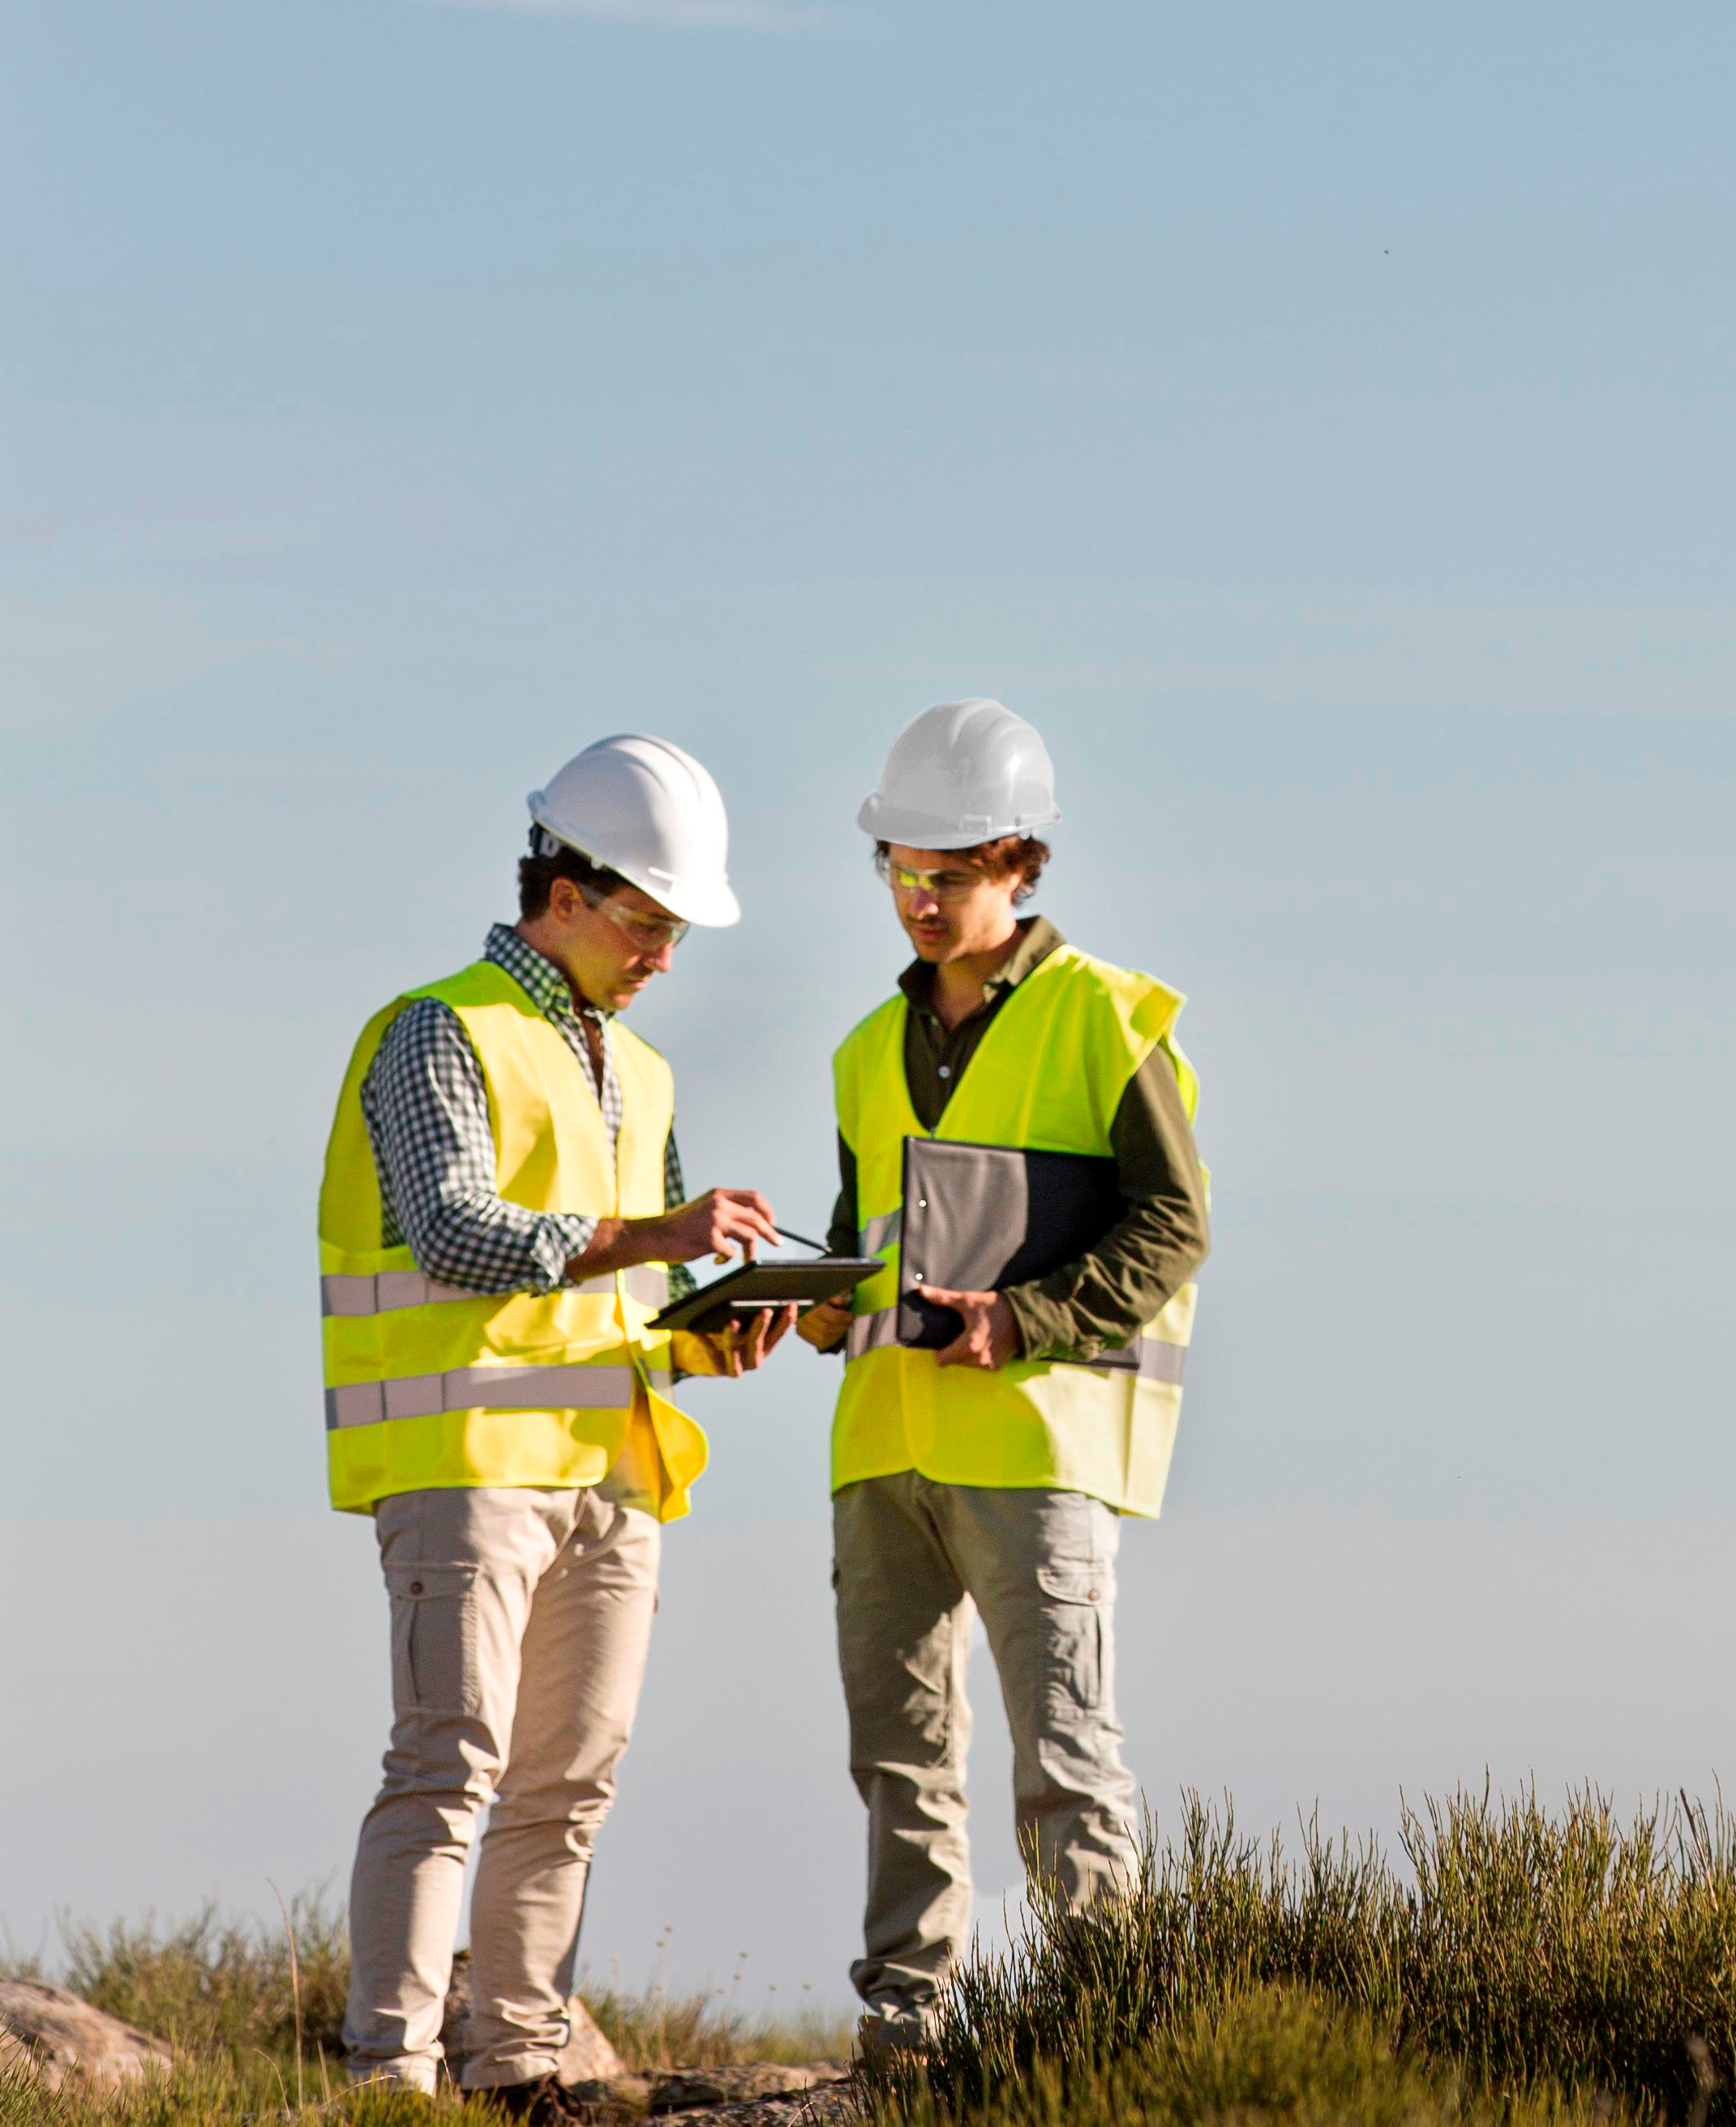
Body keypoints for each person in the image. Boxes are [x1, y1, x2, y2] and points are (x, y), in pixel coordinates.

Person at [319, 734, 793, 2112]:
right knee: (447, 1771)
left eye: (677, 933)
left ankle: (524, 2068)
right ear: (565, 891)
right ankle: (390, 2074)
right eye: (648, 923)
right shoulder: (436, 1029)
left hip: (611, 1473)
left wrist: (718, 1331)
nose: (663, 956)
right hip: (466, 1463)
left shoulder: (641, 1078)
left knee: (569, 1787)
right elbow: (457, 1228)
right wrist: (656, 1231)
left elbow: (642, 1286)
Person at [799, 698, 1208, 2056]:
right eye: (900, 870)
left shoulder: (1105, 1017)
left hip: (1034, 1448)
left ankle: (1105, 2035)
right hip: (885, 1449)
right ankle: (908, 2026)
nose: (918, 897)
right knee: (900, 1759)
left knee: (1064, 1757)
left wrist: (1024, 1319)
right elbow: (871, 1242)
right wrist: (806, 1307)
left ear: (1021, 862)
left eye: (949, 873)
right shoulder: (866, 1048)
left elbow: (1174, 1224)